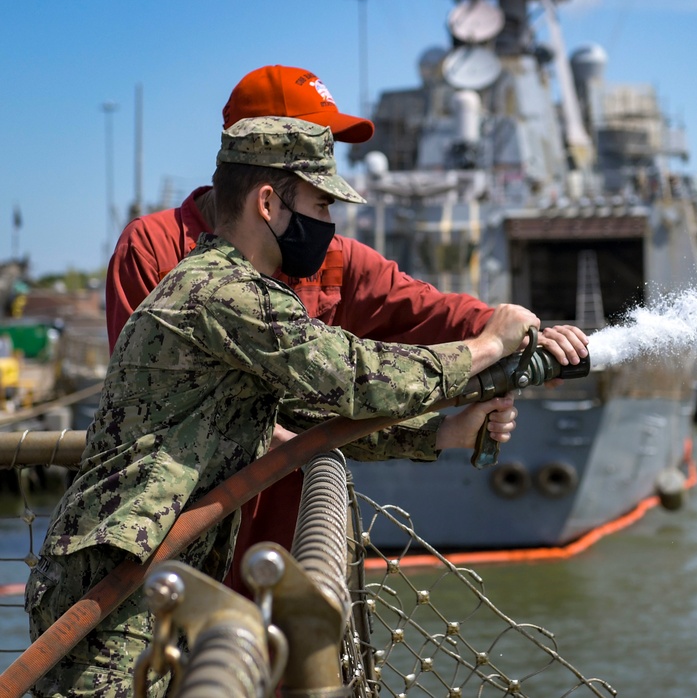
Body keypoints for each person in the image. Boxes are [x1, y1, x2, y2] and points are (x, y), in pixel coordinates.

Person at [27, 116, 545, 697]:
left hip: (151, 574)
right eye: (321, 206)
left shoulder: (236, 292)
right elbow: (353, 374)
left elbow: (309, 415)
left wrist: (445, 431)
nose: (330, 225)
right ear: (269, 204)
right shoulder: (222, 293)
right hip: (113, 584)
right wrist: (487, 345)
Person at [103, 64, 589, 597]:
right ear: (264, 161)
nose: (329, 159)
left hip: (280, 544)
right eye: (317, 146)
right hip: (164, 552)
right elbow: (350, 379)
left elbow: (420, 308)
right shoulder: (171, 257)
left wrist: (521, 336)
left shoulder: (326, 256)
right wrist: (488, 346)